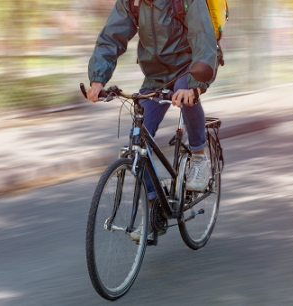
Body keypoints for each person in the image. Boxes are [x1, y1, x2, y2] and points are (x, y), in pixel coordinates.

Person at [86, 0, 220, 241]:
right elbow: (111, 37)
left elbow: (203, 38)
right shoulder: (132, 2)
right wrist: (98, 80)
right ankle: (153, 208)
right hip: (156, 76)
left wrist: (196, 86)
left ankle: (199, 156)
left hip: (190, 67)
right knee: (138, 140)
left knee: (185, 91)